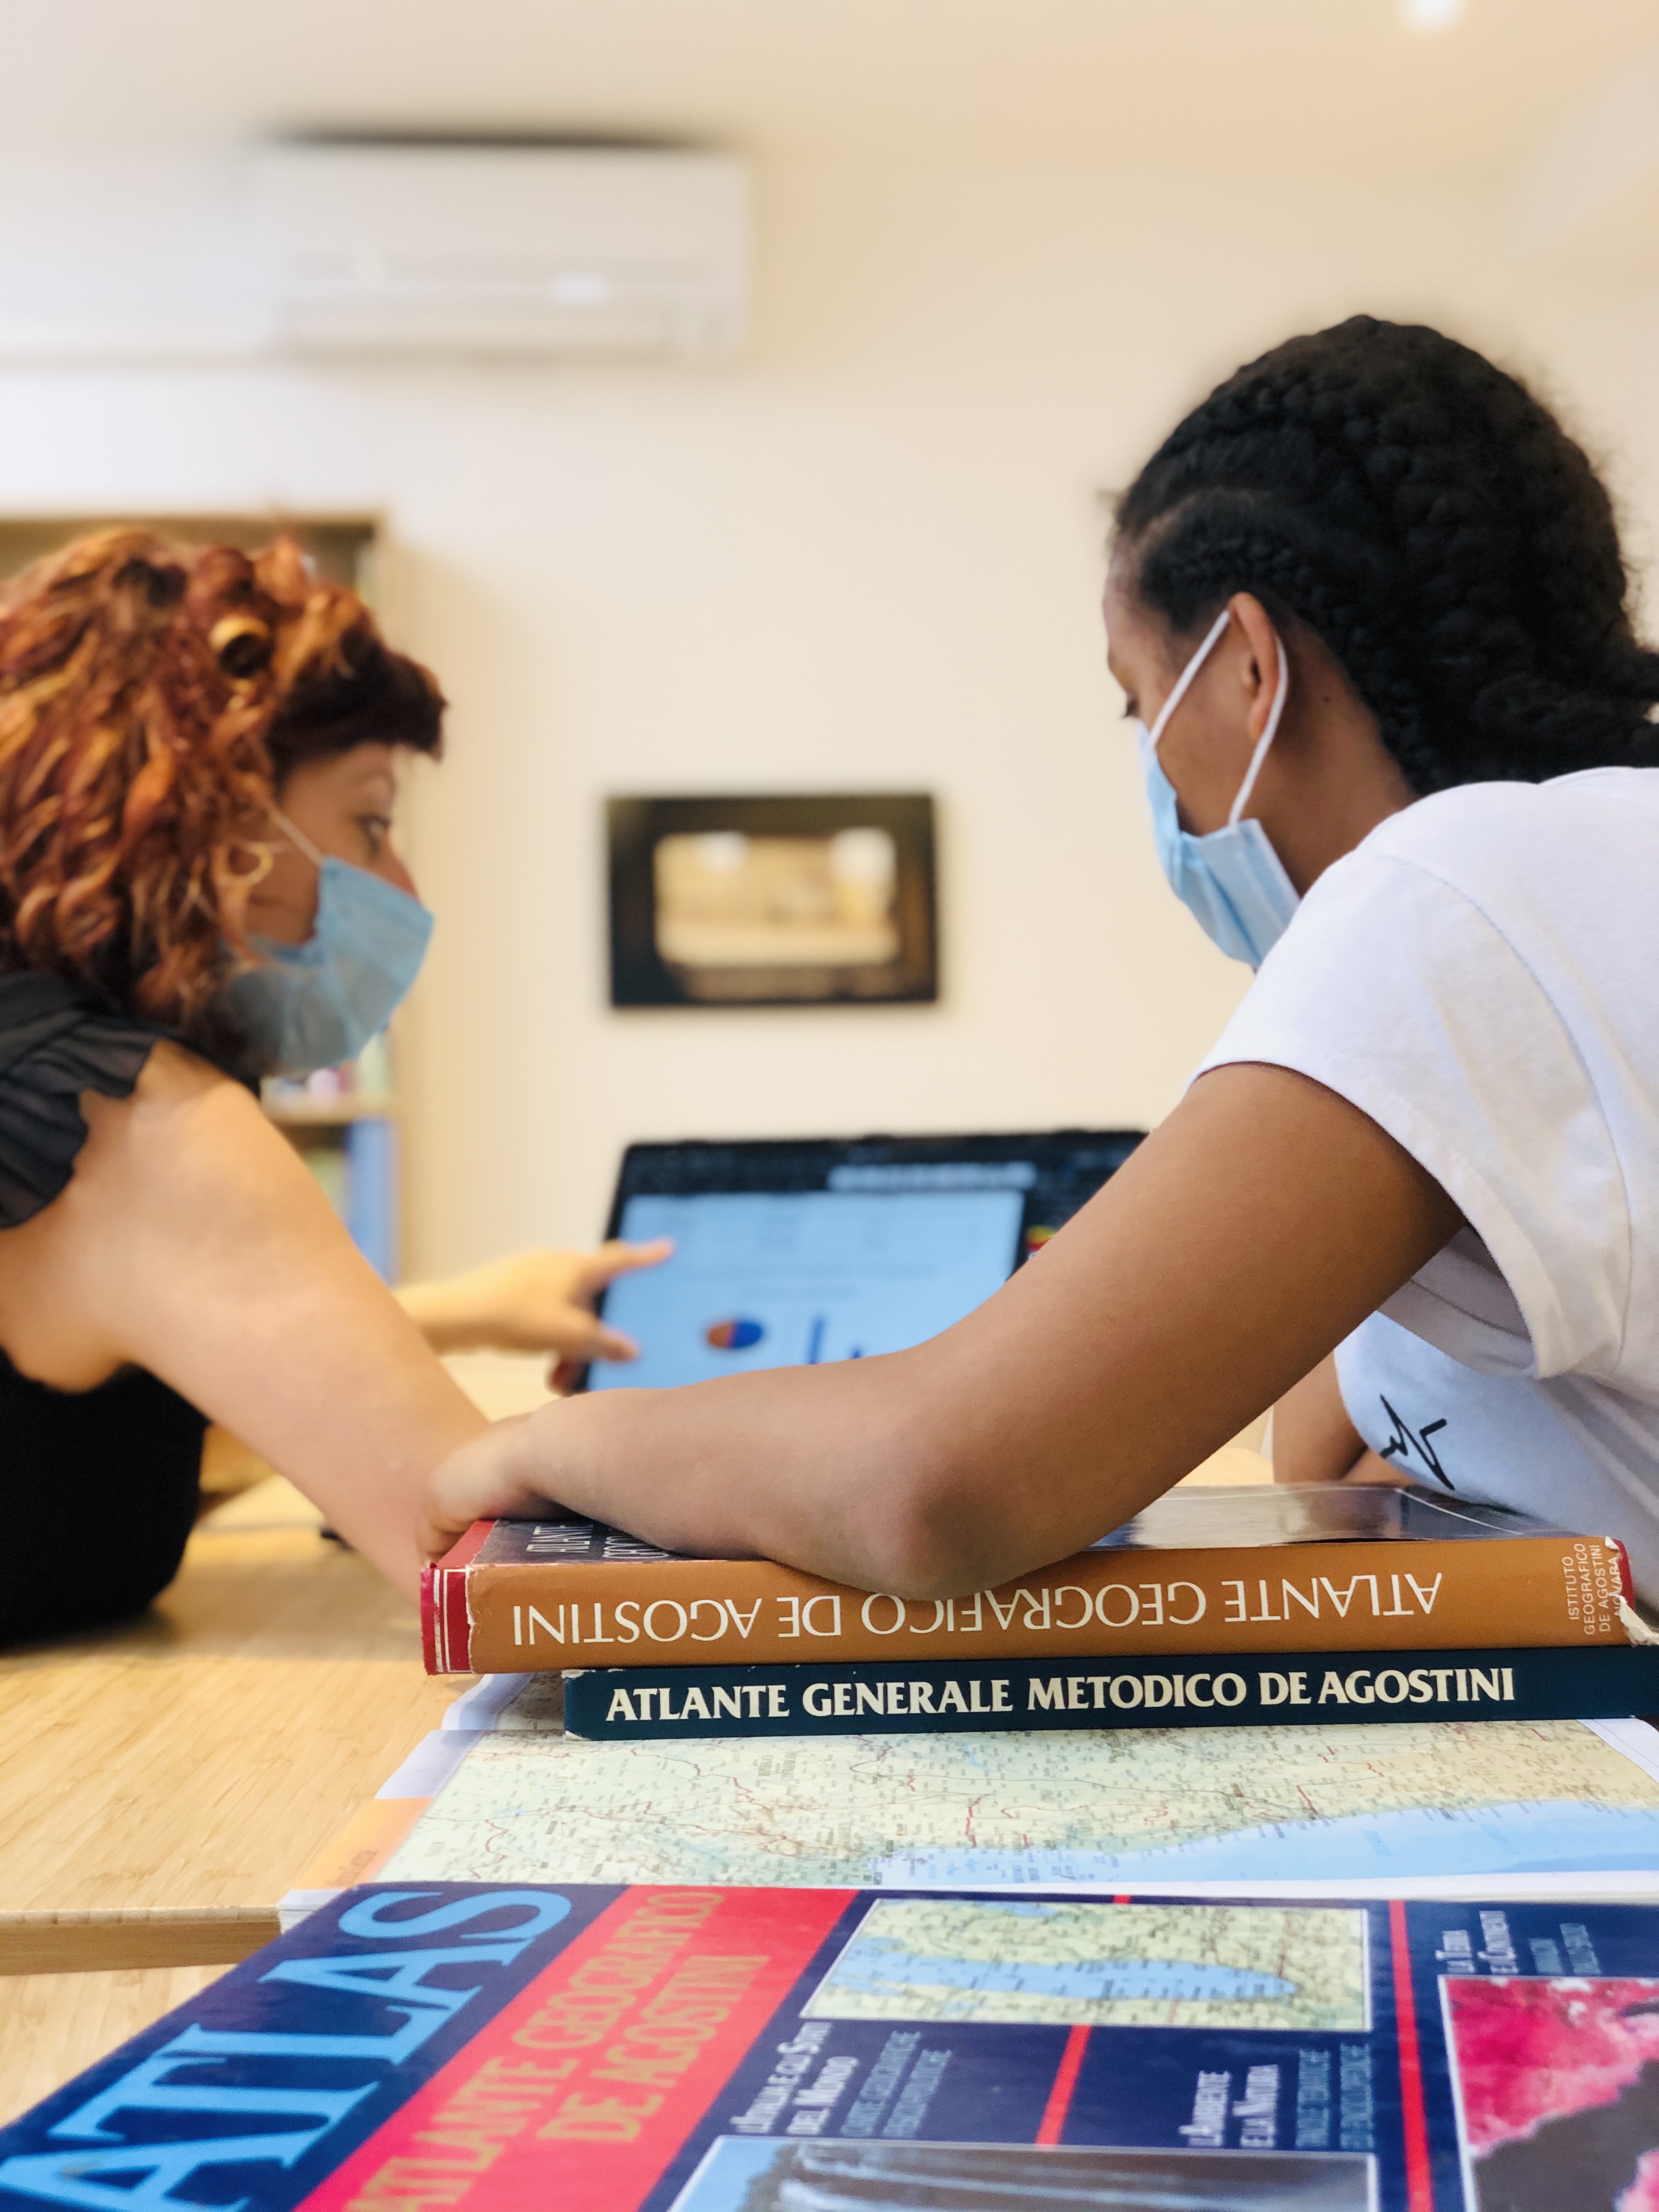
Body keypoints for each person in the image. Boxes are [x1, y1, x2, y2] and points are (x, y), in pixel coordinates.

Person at [429, 317, 1659, 1603]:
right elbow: (1345, 1470)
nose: (1151, 765)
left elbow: (931, 1490)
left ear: (1250, 668)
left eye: (1139, 699)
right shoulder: (1552, 897)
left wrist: (547, 1444)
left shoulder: (1453, 895)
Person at [0, 528, 663, 1644]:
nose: (401, 885)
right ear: (216, 822)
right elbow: (511, 1585)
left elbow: (103, 1418)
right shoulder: (131, 1121)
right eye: (370, 821)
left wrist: (453, 1309)